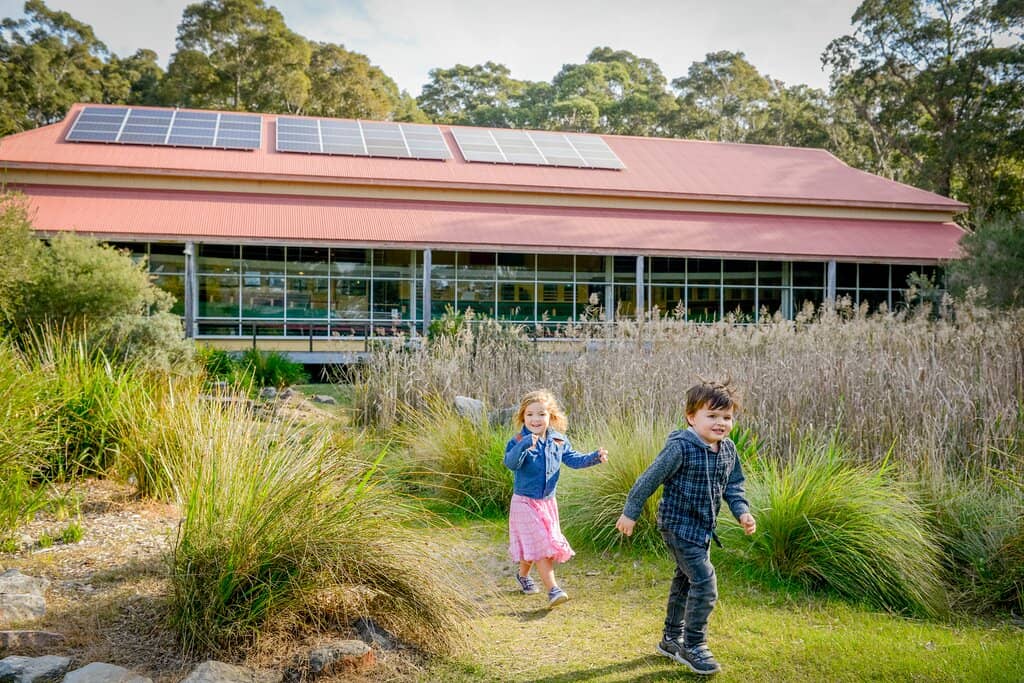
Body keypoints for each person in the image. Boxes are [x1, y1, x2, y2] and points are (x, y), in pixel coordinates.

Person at [615, 379, 756, 675]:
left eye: (727, 417)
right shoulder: (681, 447)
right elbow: (648, 479)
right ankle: (693, 644)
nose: (721, 423)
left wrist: (742, 512)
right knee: (704, 582)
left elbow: (733, 485)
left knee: (685, 579)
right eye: (712, 416)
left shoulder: (727, 449)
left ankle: (670, 639)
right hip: (677, 526)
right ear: (691, 417)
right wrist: (630, 512)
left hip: (703, 529)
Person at [504, 389, 608, 608]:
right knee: (541, 545)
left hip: (547, 502)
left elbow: (573, 460)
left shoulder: (558, 439)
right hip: (524, 502)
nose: (535, 419)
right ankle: (553, 590)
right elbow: (511, 463)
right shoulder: (518, 440)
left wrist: (595, 457)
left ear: (550, 416)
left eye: (541, 414)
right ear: (523, 417)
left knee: (533, 546)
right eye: (530, 414)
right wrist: (525, 445)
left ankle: (523, 576)